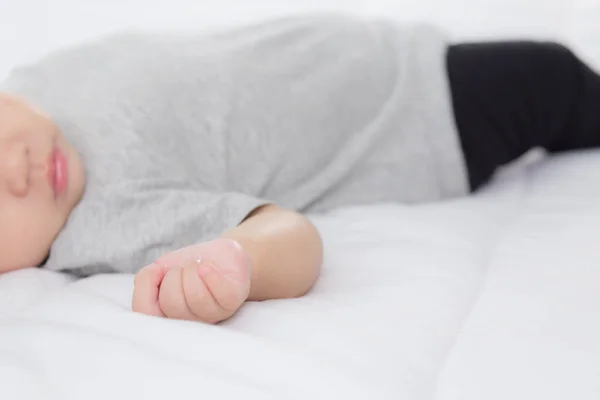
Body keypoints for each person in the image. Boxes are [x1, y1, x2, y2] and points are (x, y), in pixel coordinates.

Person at [0, 14, 598, 324]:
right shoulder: (104, 219)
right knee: (556, 79)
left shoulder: (28, 84)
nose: (14, 167)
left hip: (381, 50)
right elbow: (286, 235)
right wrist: (238, 262)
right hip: (417, 114)